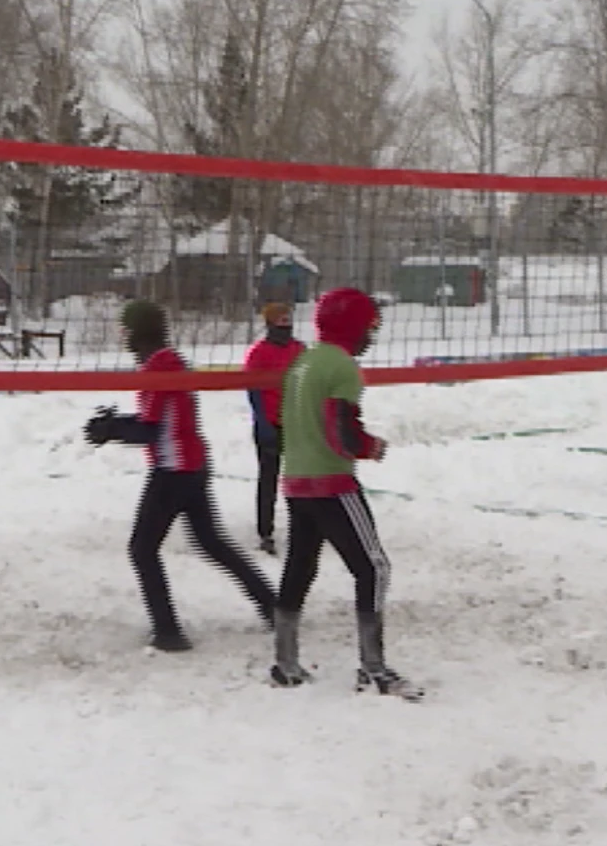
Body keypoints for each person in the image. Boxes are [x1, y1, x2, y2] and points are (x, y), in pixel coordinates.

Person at [83, 300, 276, 653]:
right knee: (211, 543)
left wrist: (111, 429)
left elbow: (151, 430)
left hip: (174, 470)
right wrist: (115, 425)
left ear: (136, 333)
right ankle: (272, 605)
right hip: (191, 465)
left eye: (125, 332)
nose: (124, 339)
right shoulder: (168, 363)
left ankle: (168, 632)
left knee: (143, 549)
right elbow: (156, 423)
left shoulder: (160, 368)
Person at [268, 287, 421, 701]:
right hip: (332, 485)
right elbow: (342, 432)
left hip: (296, 482)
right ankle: (373, 668)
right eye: (369, 326)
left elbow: (281, 418)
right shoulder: (342, 367)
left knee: (300, 569)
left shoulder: (303, 361)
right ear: (354, 327)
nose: (371, 335)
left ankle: (285, 662)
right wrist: (369, 446)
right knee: (374, 569)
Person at [243, 302, 304, 554]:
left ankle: (303, 528)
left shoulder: (300, 349)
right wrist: (263, 422)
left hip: (296, 423)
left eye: (288, 318)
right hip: (269, 423)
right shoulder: (259, 352)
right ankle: (265, 531)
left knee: (300, 480)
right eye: (280, 319)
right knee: (268, 479)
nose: (285, 323)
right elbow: (253, 390)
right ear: (269, 323)